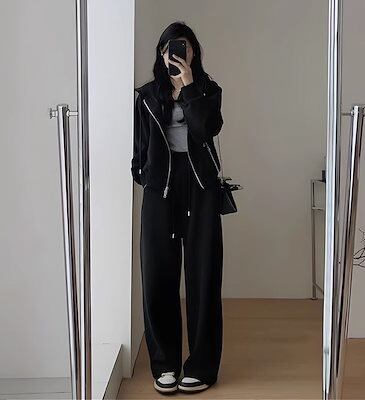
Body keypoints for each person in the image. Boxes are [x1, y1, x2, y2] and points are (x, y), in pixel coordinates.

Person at [131, 21, 224, 394]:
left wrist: (188, 87)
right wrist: (144, 176)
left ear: (194, 52)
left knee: (203, 275)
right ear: (161, 53)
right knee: (157, 274)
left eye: (184, 47)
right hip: (161, 188)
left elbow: (206, 129)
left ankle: (201, 366)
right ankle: (165, 364)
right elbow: (139, 145)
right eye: (170, 48)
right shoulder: (146, 95)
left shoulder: (208, 90)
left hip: (200, 186)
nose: (177, 54)